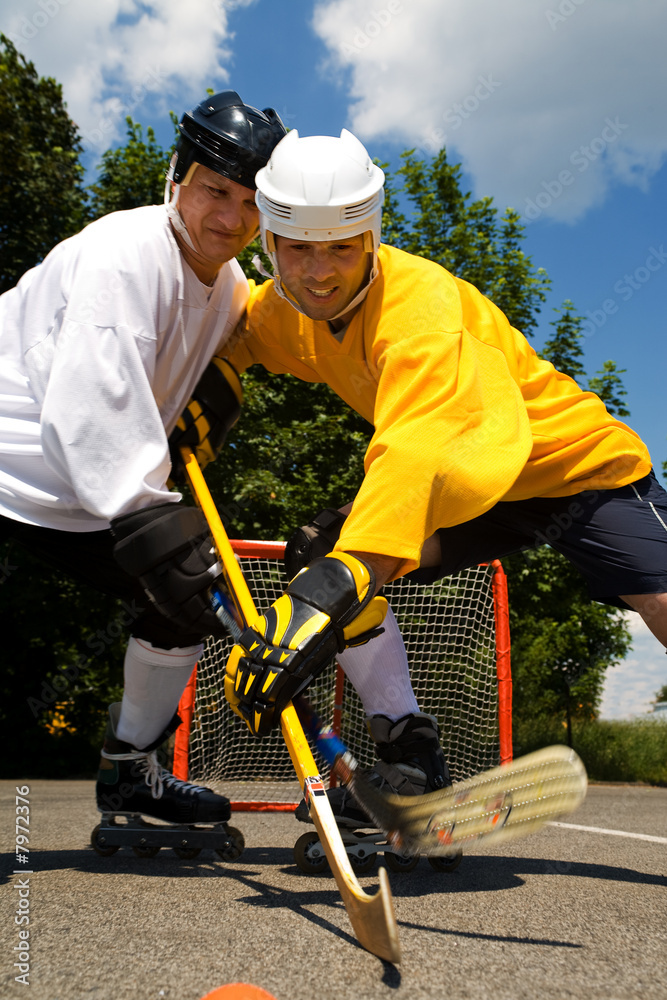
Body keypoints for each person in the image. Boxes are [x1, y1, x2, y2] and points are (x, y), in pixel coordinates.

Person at [222, 128, 667, 825]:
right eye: (297, 248)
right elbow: (231, 340)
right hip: (473, 489)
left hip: (571, 468)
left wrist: (323, 600)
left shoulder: (420, 313)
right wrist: (201, 392)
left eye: (340, 247)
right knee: (321, 551)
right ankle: (411, 755)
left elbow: (417, 447)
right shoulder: (283, 312)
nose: (317, 272)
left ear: (369, 237)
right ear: (268, 243)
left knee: (662, 603)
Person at [0, 90, 286, 826]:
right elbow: (87, 415)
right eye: (215, 191)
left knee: (180, 600)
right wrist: (157, 519)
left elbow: (207, 364)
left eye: (251, 204)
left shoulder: (228, 288)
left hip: (65, 480)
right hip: (22, 456)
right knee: (182, 570)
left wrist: (210, 399)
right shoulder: (124, 257)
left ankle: (130, 772)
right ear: (176, 177)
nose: (230, 218)